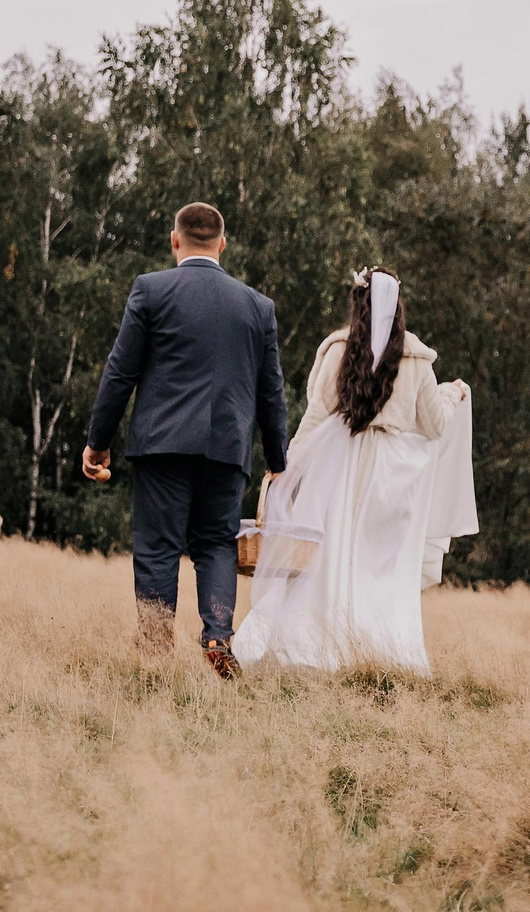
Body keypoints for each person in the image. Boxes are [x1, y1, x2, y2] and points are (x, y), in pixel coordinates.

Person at [231, 267, 476, 676]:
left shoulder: (338, 350)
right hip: (393, 478)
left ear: (357, 302)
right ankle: (380, 656)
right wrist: (452, 394)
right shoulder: (416, 357)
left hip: (339, 473)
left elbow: (315, 416)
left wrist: (285, 470)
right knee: (380, 571)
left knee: (329, 563)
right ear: (398, 307)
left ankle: (317, 649)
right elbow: (433, 424)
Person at [81, 202, 287, 679]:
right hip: (226, 447)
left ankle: (156, 655)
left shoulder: (151, 290)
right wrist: (277, 460)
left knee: (157, 547)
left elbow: (119, 372)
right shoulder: (258, 307)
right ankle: (217, 633)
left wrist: (98, 441)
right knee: (216, 541)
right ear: (223, 244)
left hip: (162, 444)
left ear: (175, 241)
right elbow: (270, 392)